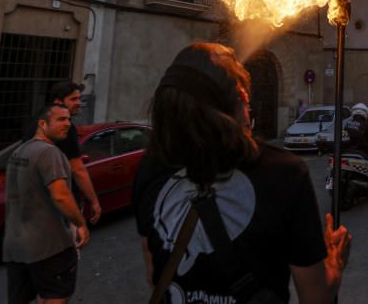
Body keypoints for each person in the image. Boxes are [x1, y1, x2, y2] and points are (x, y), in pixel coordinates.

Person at [133, 42, 351, 303]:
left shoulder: (151, 168)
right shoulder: (284, 174)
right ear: (241, 101)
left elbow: (154, 271)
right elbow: (315, 297)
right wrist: (334, 263)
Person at [5, 104, 90, 304]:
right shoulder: (49, 153)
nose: (68, 124)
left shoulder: (19, 152)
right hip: (49, 246)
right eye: (61, 119)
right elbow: (60, 195)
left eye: (69, 119)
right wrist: (80, 223)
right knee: (56, 296)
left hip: (17, 245)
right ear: (42, 124)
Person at [48, 82, 101, 224]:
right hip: (60, 206)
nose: (79, 103)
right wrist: (94, 201)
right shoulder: (65, 127)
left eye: (79, 98)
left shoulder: (39, 121)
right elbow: (77, 169)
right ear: (58, 102)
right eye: (73, 99)